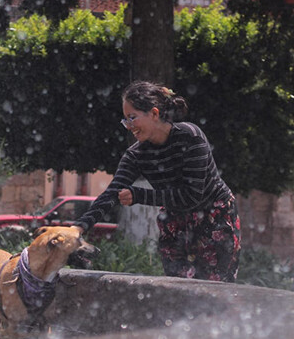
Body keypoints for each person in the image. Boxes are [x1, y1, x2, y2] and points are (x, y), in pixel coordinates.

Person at [72, 80, 241, 282]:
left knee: (215, 289)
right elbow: (112, 193)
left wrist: (138, 195)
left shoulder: (190, 137)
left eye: (132, 117)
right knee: (177, 290)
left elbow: (191, 196)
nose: (129, 126)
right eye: (125, 120)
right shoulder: (136, 155)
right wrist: (79, 227)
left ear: (154, 113)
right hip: (175, 221)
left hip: (214, 217)